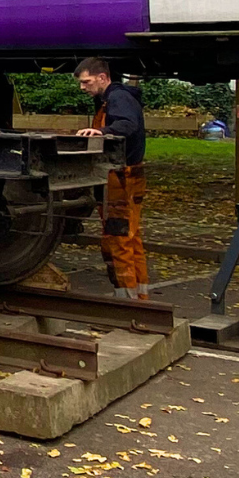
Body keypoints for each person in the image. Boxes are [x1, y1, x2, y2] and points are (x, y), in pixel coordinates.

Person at [74, 57, 149, 299]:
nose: (82, 87)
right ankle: (139, 295)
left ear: (102, 78)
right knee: (130, 236)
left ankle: (127, 300)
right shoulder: (112, 99)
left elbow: (128, 125)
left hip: (120, 178)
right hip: (126, 176)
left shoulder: (118, 99)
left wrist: (103, 131)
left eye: (86, 82)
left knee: (118, 237)